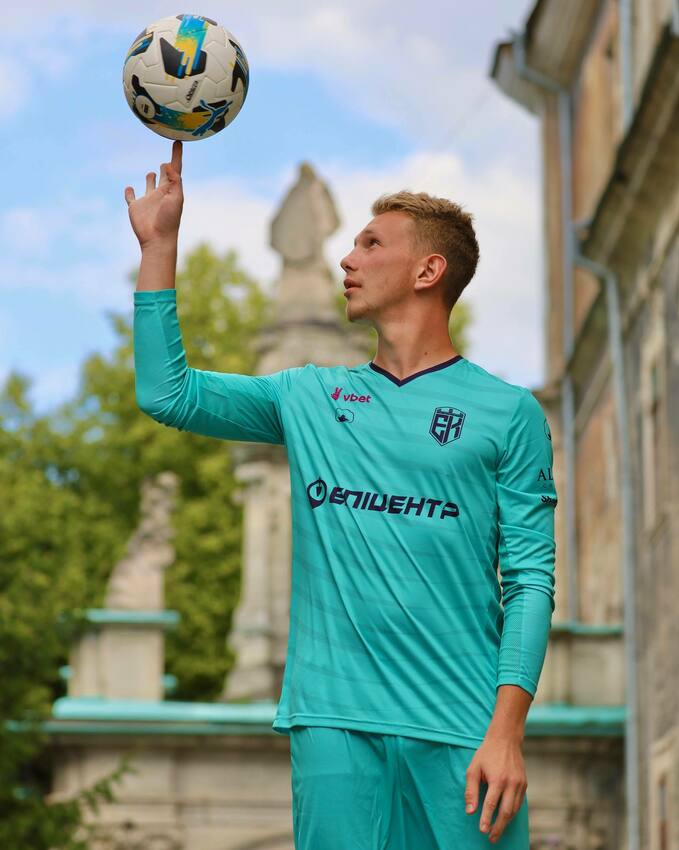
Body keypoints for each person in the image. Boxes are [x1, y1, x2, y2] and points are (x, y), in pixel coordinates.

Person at [126, 140, 557, 850]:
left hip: (464, 727)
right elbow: (168, 393)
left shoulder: (508, 413)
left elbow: (531, 580)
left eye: (371, 244)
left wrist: (507, 732)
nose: (346, 259)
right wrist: (159, 248)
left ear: (428, 271)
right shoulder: (309, 397)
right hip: (333, 724)